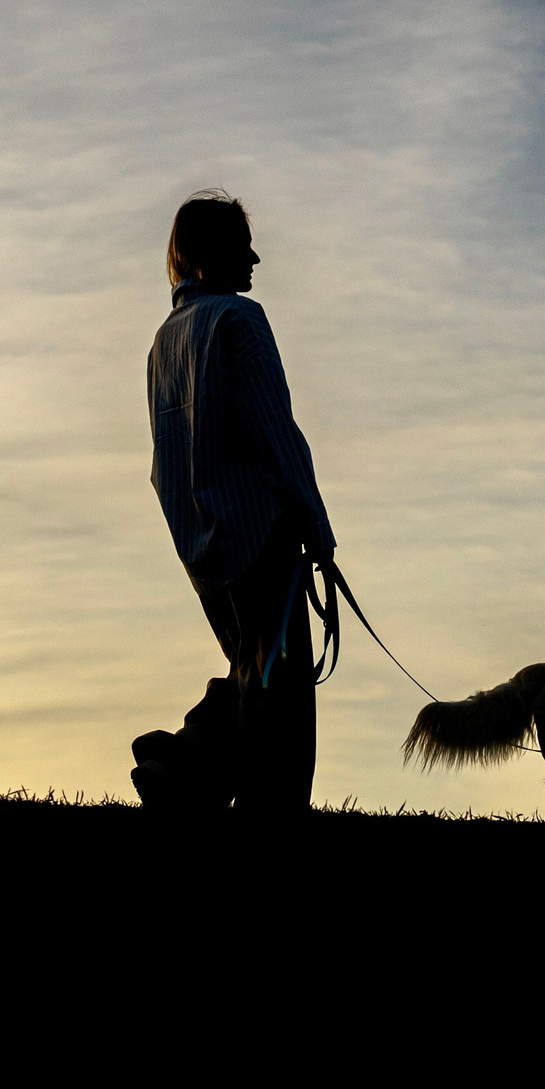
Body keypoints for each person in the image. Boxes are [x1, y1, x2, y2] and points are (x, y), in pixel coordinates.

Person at [131, 191, 338, 819]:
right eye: (243, 246)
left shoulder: (164, 342)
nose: (255, 259)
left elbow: (164, 457)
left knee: (254, 671)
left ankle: (183, 764)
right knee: (280, 692)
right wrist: (316, 527)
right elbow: (275, 432)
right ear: (212, 253)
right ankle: (264, 810)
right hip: (260, 532)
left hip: (203, 547)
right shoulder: (239, 320)